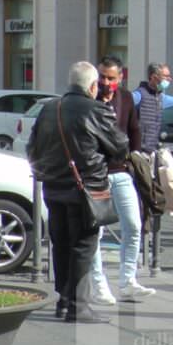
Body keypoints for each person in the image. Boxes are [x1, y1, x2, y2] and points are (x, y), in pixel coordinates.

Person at [28, 62, 129, 323]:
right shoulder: (96, 109)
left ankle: (63, 301)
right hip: (87, 189)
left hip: (53, 188)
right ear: (93, 86)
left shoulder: (50, 108)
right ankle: (78, 307)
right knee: (83, 246)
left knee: (60, 245)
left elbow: (33, 147)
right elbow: (120, 147)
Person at [88, 56, 155, 306]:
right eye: (102, 77)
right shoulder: (90, 98)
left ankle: (128, 281)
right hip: (97, 174)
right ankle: (99, 284)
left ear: (120, 77)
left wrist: (135, 156)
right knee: (97, 230)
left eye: (111, 78)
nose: (106, 82)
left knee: (134, 225)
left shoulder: (125, 97)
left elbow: (134, 127)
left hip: (121, 171)